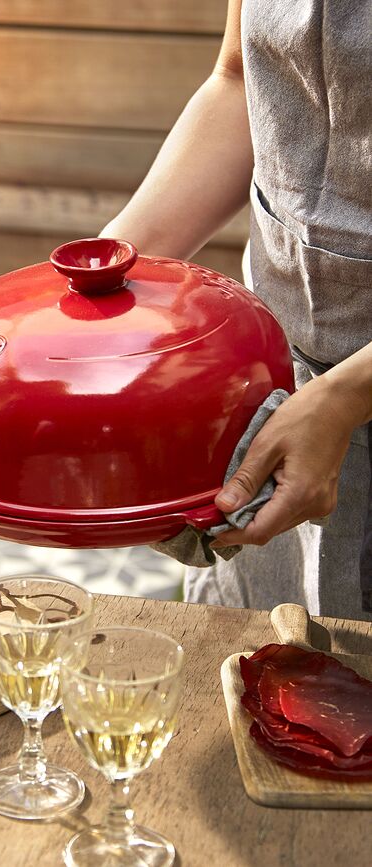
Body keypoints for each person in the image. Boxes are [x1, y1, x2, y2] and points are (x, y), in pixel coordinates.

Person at [101, 0, 372, 621]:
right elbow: (240, 80)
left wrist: (346, 395)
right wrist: (107, 270)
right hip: (274, 374)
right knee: (257, 651)